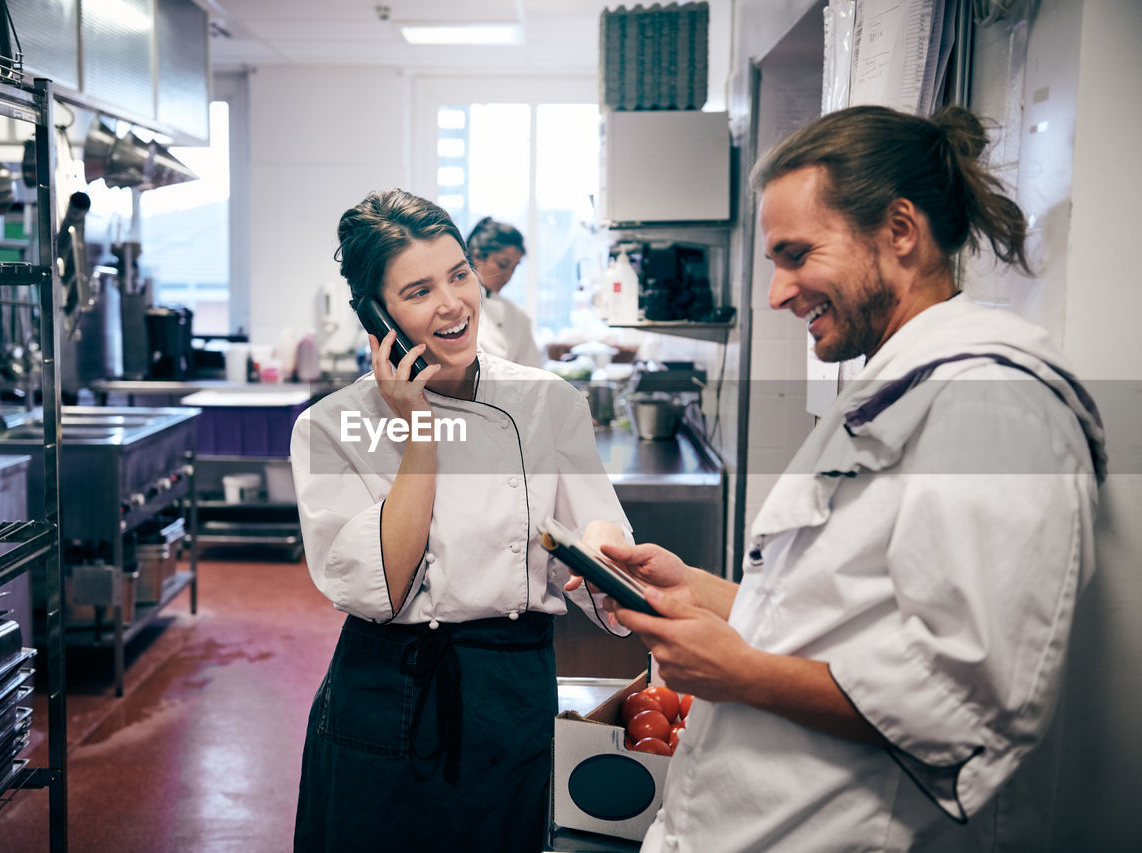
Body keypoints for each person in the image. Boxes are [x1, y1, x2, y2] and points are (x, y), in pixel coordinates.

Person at [575, 105, 1107, 851]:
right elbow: (841, 618)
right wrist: (697, 590)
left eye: (797, 254)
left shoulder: (995, 407)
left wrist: (742, 673)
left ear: (899, 231)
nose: (776, 292)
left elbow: (970, 701)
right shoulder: (898, 387)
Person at [290, 189, 633, 852]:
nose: (452, 302)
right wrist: (418, 425)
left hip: (511, 695)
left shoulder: (546, 403)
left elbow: (600, 542)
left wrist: (603, 559)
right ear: (377, 317)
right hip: (383, 695)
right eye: (418, 290)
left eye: (458, 275)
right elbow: (383, 585)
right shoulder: (329, 427)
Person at [468, 216, 545, 367]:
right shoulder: (455, 305)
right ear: (476, 256)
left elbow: (533, 372)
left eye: (514, 267)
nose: (509, 275)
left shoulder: (518, 317)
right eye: (503, 264)